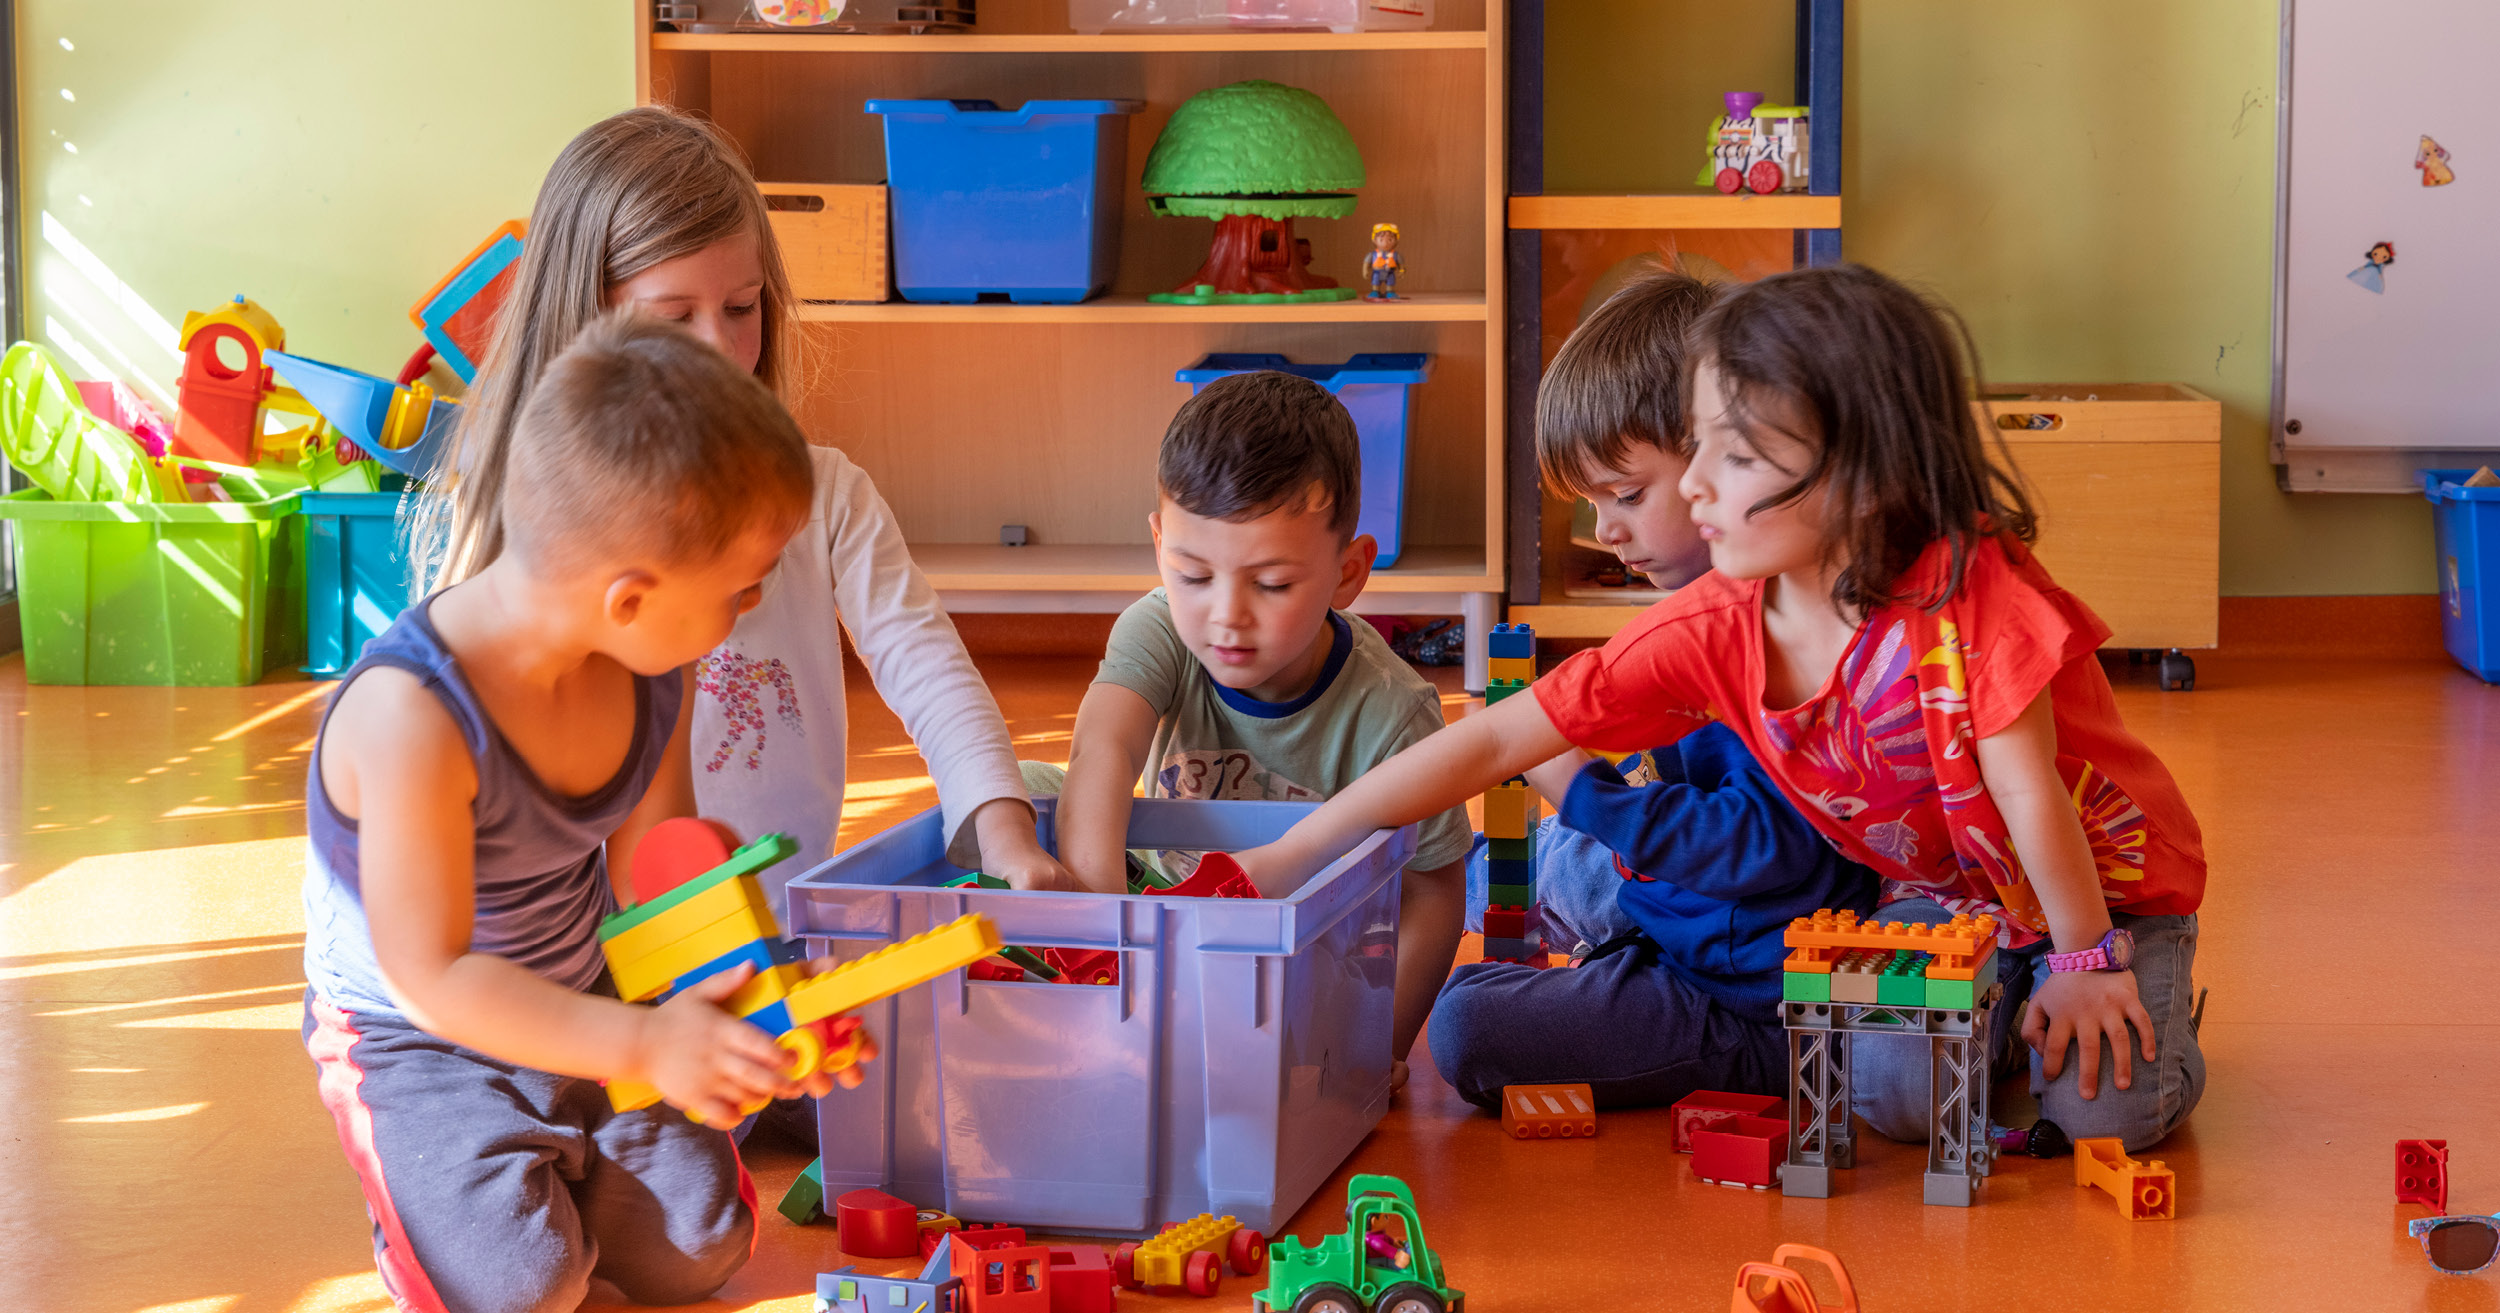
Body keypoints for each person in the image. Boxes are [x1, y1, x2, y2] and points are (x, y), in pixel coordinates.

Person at [1235, 264, 2206, 1154]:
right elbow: (1498, 732)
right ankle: (2002, 1017)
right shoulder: (1719, 617)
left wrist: (2084, 957)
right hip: (1949, 893)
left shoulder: (1966, 599)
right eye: (1694, 449)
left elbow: (2027, 794)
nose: (1694, 483)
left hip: (2100, 888)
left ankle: (2136, 1003)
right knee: (1899, 1096)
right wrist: (1289, 852)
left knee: (2106, 1116)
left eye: (1730, 457)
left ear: (1862, 475)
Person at [416, 105, 1067, 906]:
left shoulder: (827, 496)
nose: (720, 349)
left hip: (778, 929)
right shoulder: (537, 512)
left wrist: (1004, 835)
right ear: (584, 317)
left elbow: (929, 671)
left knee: (1027, 793)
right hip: (588, 958)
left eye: (741, 307)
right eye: (672, 316)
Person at [304, 315, 822, 1312]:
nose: (749, 609)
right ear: (630, 597)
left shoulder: (652, 663)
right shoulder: (414, 718)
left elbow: (657, 864)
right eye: (741, 588)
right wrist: (644, 1048)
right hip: (419, 1034)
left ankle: (551, 1163)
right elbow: (435, 979)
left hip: (580, 983)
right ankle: (415, 1206)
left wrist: (749, 996)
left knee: (700, 1248)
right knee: (524, 1289)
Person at [1430, 272, 1879, 1109]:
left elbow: (1757, 845)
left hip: (1748, 991)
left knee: (1466, 1025)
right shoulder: (1696, 617)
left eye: (1627, 495)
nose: (1605, 531)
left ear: (1724, 459)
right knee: (1478, 872)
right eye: (1593, 501)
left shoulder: (1780, 635)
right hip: (1686, 924)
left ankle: (1752, 1050)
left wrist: (1574, 783)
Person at [1046, 370, 1472, 1074]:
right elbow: (1103, 748)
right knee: (1018, 796)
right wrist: (1107, 943)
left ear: (1348, 571)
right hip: (1151, 907)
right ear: (1160, 546)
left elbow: (1434, 888)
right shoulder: (1157, 630)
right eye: (1192, 575)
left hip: (1301, 947)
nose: (1226, 615)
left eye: (1272, 584)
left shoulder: (1393, 711)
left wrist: (1372, 1048)